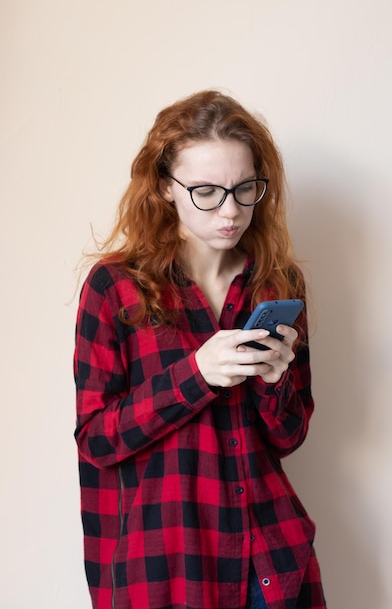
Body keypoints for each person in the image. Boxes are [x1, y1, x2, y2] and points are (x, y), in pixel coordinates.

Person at [74, 89, 326, 609]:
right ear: (166, 187)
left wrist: (277, 384)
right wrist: (197, 372)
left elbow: (289, 437)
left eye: (245, 188)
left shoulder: (278, 283)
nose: (231, 211)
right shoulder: (116, 286)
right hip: (169, 566)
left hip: (270, 559)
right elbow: (96, 440)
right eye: (206, 191)